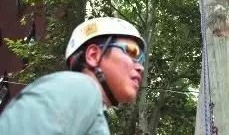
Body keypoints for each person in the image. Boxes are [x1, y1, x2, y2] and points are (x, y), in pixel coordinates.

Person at [0, 17, 146, 135]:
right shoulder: (81, 88)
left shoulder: (92, 115)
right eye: (132, 52)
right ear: (93, 55)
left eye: (142, 59)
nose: (140, 67)